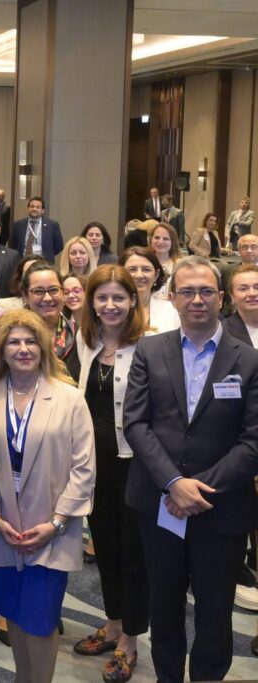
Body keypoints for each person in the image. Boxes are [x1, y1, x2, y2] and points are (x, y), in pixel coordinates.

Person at [124, 256, 258, 683]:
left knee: (216, 611)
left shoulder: (250, 360)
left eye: (205, 291)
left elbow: (253, 439)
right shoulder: (149, 349)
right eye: (187, 292)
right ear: (172, 297)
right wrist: (173, 482)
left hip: (222, 508)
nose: (196, 300)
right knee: (163, 606)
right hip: (159, 503)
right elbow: (136, 423)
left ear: (221, 298)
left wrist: (197, 489)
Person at [0, 309, 95, 683]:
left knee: (40, 618)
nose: (23, 348)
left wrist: (57, 523)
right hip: (2, 524)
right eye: (14, 341)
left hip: (50, 527)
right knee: (11, 609)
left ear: (44, 348)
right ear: (1, 348)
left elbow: (84, 469)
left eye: (31, 341)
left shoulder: (69, 398)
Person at [71, 265, 149, 683]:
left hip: (135, 466)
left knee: (134, 554)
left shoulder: (150, 345)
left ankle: (130, 640)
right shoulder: (86, 342)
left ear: (133, 301)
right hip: (94, 465)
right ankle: (114, 622)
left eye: (119, 297)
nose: (111, 305)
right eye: (102, 297)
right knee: (105, 546)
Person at [21, 262, 80, 381]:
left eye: (53, 290)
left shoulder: (80, 335)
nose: (47, 298)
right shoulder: (13, 337)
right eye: (38, 291)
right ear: (25, 296)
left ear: (63, 293)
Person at [118, 247, 180, 333]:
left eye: (146, 269)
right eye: (132, 269)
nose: (139, 275)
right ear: (121, 274)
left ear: (156, 275)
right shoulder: (112, 309)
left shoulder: (171, 310)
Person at [8, 197, 64, 262]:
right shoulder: (18, 225)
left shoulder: (52, 225)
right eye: (32, 206)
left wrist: (48, 254)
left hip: (44, 263)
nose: (34, 209)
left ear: (43, 211)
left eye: (38, 207)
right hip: (23, 262)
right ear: (28, 209)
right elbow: (12, 245)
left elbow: (59, 246)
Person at [149, 222, 181, 297]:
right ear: (151, 240)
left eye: (165, 239)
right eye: (157, 237)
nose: (160, 242)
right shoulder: (144, 262)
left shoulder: (179, 265)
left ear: (172, 242)